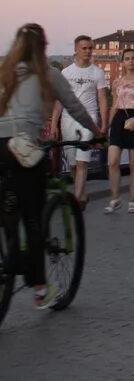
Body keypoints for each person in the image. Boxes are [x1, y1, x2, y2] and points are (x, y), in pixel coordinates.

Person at [0, 24, 98, 309]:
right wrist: (96, 133)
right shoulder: (48, 74)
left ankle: (10, 243)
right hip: (22, 150)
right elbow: (75, 108)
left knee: (8, 207)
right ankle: (41, 288)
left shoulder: (3, 72)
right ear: (43, 47)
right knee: (32, 215)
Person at [51, 34, 107, 207]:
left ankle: (76, 199)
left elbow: (102, 99)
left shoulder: (97, 73)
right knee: (74, 165)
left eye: (90, 48)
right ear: (76, 49)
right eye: (84, 48)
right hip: (68, 119)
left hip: (88, 118)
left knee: (83, 161)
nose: (88, 51)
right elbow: (60, 99)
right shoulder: (66, 72)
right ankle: (81, 195)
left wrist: (103, 124)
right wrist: (54, 123)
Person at [104, 48, 134, 214]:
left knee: (133, 164)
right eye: (127, 59)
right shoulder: (117, 82)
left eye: (133, 58)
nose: (130, 61)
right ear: (122, 62)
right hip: (119, 119)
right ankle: (115, 198)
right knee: (113, 161)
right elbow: (114, 104)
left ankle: (132, 200)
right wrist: (108, 125)